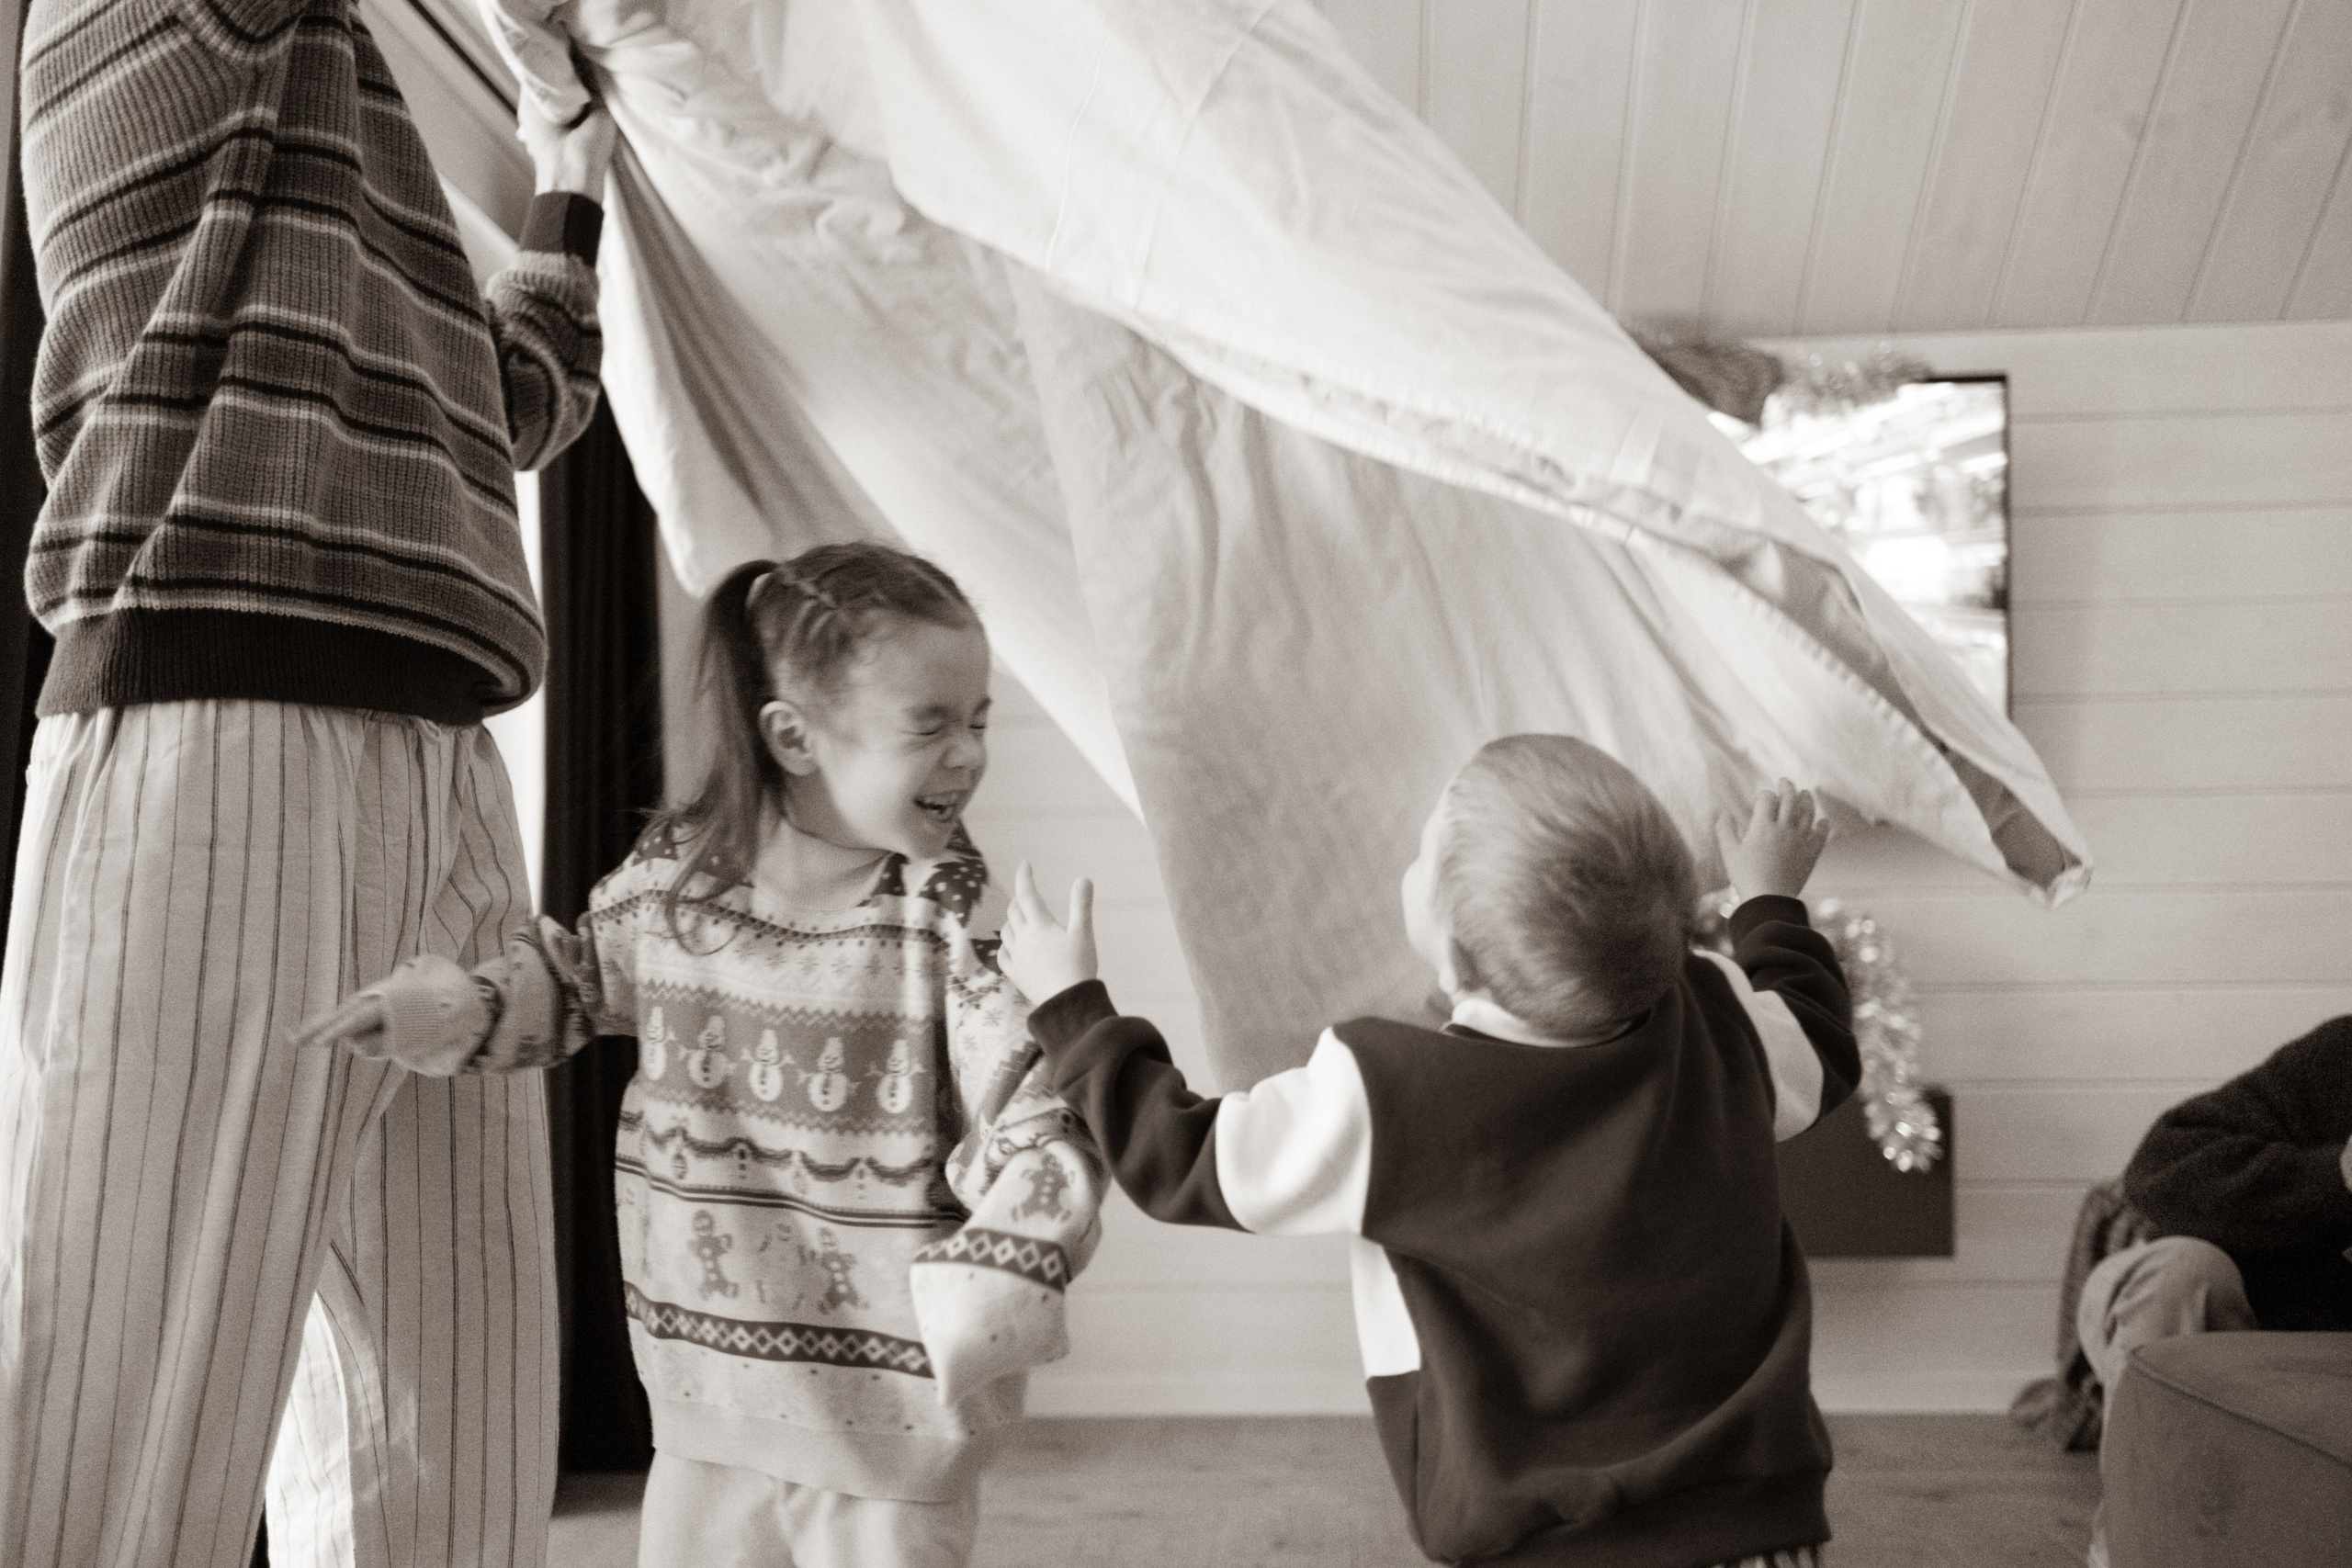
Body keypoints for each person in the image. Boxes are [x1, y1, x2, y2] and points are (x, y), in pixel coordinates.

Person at [3, 3, 614, 1565]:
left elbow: (516, 399)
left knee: (452, 1448)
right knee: (117, 1438)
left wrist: (564, 167)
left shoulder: (351, 179)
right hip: (214, 731)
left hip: (449, 759)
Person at [300, 544, 1105, 1568]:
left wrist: (1026, 1221)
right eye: (931, 725)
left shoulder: (940, 924)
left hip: (890, 1425)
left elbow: (1030, 1108)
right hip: (705, 1398)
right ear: (794, 736)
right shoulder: (677, 891)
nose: (968, 755)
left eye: (979, 719)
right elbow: (572, 984)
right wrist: (443, 1008)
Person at [998, 737, 1860, 1568]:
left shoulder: (1387, 1091)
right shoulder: (1718, 1016)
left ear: (1453, 953)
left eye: (1420, 855)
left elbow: (1180, 1156)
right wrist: (1769, 902)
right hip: (1760, 1520)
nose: (1410, 866)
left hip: (1537, 1538)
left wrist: (1074, 1007)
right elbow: (1822, 1043)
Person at [2073, 1015, 2352, 1568]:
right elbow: (2158, 1167)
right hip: (2234, 1311)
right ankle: (2130, 1543)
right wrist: (2334, 1178)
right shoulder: (2341, 1058)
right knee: (2181, 1270)